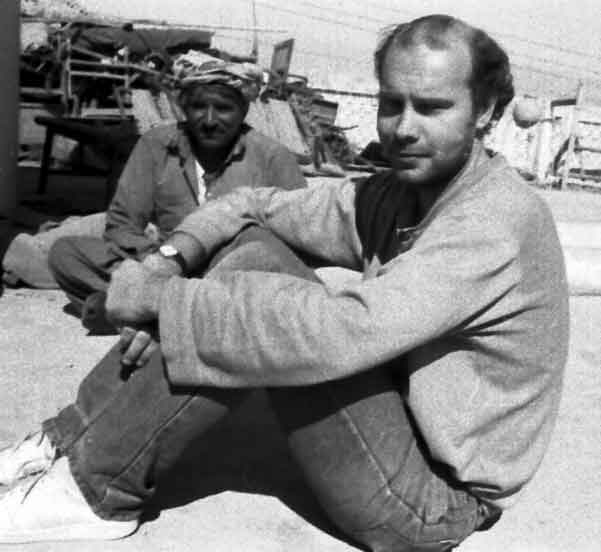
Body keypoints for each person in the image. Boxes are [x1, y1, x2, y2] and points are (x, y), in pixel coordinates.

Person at [0, 14, 569, 551]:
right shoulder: (394, 194)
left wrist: (163, 303)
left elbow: (340, 333)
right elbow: (251, 206)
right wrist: (168, 260)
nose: (403, 128)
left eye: (432, 107)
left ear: (485, 111)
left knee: (251, 309)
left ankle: (95, 489)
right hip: (395, 423)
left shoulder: (494, 220)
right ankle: (67, 438)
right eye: (391, 103)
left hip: (435, 499)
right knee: (252, 253)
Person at [47, 53, 306, 331]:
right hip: (166, 264)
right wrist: (163, 260)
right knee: (66, 253)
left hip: (233, 275)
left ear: (243, 111)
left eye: (223, 109)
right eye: (198, 107)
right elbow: (122, 224)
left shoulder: (272, 157)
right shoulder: (156, 145)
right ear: (183, 107)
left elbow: (299, 238)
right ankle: (175, 315)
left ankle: (145, 314)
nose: (209, 120)